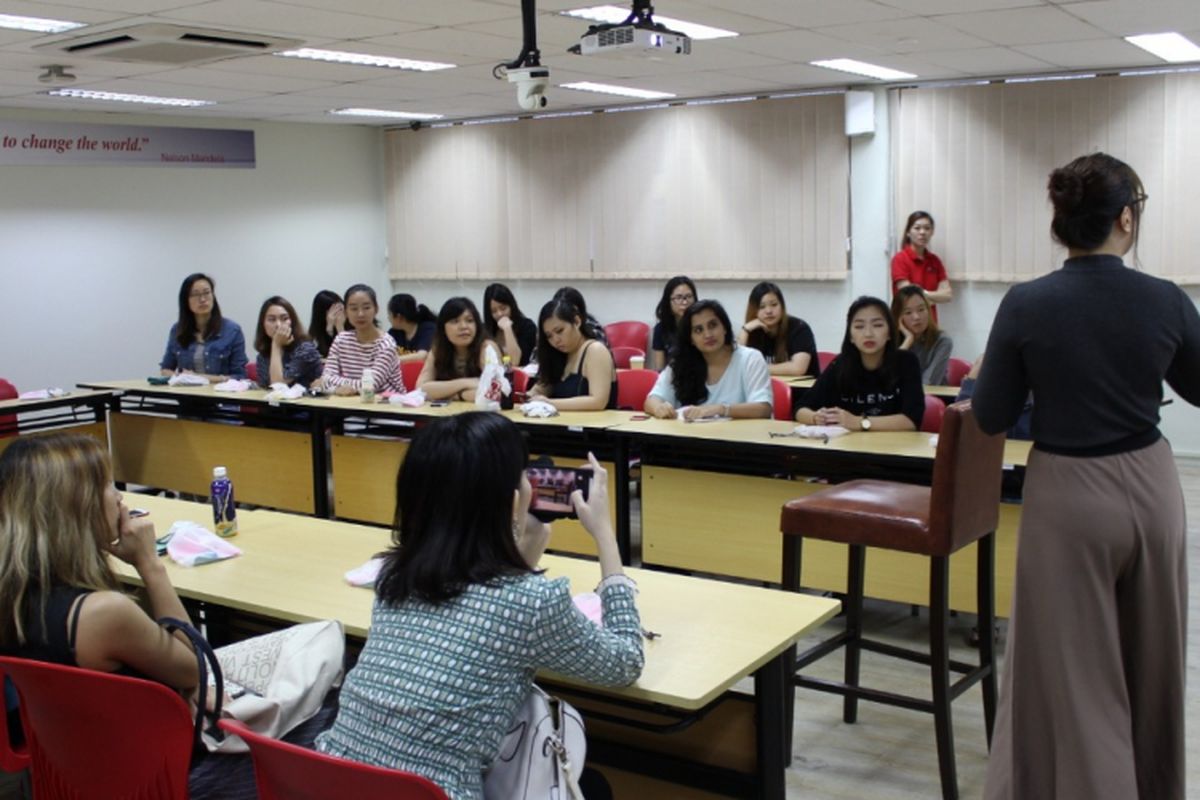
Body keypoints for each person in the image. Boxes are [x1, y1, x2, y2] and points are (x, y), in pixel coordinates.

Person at [977, 153, 1200, 800]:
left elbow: (991, 415)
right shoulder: (1164, 299)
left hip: (1068, 496)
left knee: (1078, 683)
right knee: (1152, 667)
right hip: (1154, 491)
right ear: (1126, 218)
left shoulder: (1026, 304)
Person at [316, 413, 642, 800]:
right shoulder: (528, 602)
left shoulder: (395, 575)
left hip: (328, 783)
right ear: (511, 500)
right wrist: (605, 534)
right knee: (594, 788)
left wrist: (522, 546)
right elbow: (625, 662)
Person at [0, 435, 238, 798]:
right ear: (77, 508)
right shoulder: (102, 614)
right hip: (160, 779)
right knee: (321, 708)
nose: (120, 497)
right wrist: (149, 565)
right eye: (108, 485)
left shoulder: (14, 596)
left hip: (73, 771)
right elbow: (194, 667)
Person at [794, 296, 923, 431]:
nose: (868, 333)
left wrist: (859, 422)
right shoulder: (840, 365)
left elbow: (911, 420)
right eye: (859, 326)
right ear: (850, 336)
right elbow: (800, 408)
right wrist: (816, 417)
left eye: (877, 325)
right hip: (849, 447)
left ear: (890, 333)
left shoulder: (906, 362)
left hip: (894, 447)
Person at [645, 300, 772, 420]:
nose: (708, 334)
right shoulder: (681, 363)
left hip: (738, 439)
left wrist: (719, 409)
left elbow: (763, 409)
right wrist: (659, 408)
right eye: (698, 330)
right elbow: (651, 400)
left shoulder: (750, 358)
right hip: (691, 439)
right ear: (691, 339)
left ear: (725, 328)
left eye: (713, 325)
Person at [530, 297, 617, 411]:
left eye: (560, 331)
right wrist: (530, 396)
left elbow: (598, 401)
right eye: (549, 336)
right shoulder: (558, 354)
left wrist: (549, 403)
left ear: (576, 322)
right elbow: (542, 388)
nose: (555, 340)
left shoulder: (595, 350)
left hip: (592, 425)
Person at [317, 284, 404, 396]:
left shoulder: (386, 344)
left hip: (387, 406)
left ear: (376, 309)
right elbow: (325, 377)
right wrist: (337, 389)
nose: (360, 314)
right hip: (352, 403)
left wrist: (339, 385)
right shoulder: (341, 340)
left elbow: (370, 386)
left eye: (366, 307)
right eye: (353, 308)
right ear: (346, 312)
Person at [159, 273, 247, 381]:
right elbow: (165, 369)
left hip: (220, 395)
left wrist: (201, 378)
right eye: (195, 294)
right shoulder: (177, 330)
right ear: (186, 300)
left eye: (206, 292)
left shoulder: (232, 330)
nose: (202, 299)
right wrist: (181, 377)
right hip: (186, 395)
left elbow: (240, 377)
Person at [416, 297, 502, 402]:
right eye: (455, 321)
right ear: (443, 328)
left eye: (469, 320)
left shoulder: (487, 347)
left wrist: (454, 394)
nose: (463, 326)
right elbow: (420, 389)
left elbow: (495, 392)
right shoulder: (438, 349)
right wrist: (466, 384)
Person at [737, 282, 819, 378]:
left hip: (801, 390)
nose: (768, 311)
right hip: (767, 390)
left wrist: (758, 368)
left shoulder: (799, 328)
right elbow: (737, 366)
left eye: (774, 304)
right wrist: (745, 330)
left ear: (782, 306)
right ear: (754, 310)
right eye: (762, 307)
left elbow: (798, 368)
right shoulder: (754, 332)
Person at [891, 211, 952, 320]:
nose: (922, 232)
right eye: (917, 228)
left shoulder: (935, 261)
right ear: (908, 233)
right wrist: (934, 298)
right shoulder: (900, 259)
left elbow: (947, 295)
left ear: (932, 232)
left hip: (930, 323)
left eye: (927, 228)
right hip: (905, 323)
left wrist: (924, 294)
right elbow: (909, 294)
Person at [253, 295, 323, 388]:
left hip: (307, 401)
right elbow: (266, 388)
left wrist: (276, 345)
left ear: (292, 322)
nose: (278, 325)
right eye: (271, 319)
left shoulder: (305, 349)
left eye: (284, 319)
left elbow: (278, 385)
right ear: (263, 324)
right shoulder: (263, 355)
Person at [891, 285, 953, 384]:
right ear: (897, 317)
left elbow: (929, 382)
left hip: (932, 397)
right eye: (908, 312)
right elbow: (885, 377)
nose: (916, 317)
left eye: (921, 310)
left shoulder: (942, 341)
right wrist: (907, 341)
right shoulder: (889, 339)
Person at [483, 283, 538, 367]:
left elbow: (515, 362)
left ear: (511, 306)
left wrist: (507, 329)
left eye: (503, 308)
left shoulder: (527, 327)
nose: (499, 314)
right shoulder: (486, 329)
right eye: (494, 311)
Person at [651, 276, 697, 371]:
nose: (684, 302)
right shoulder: (661, 329)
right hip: (673, 380)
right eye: (679, 297)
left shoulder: (701, 326)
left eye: (689, 297)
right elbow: (659, 369)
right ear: (668, 301)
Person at [386, 293, 436, 363]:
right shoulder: (394, 332)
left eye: (389, 314)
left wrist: (392, 361)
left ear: (399, 317)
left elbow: (421, 356)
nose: (388, 318)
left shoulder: (428, 329)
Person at [307, 290, 346, 359]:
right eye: (334, 311)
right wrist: (329, 329)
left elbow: (348, 353)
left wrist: (340, 327)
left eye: (340, 308)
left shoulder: (354, 325)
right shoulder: (314, 337)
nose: (339, 313)